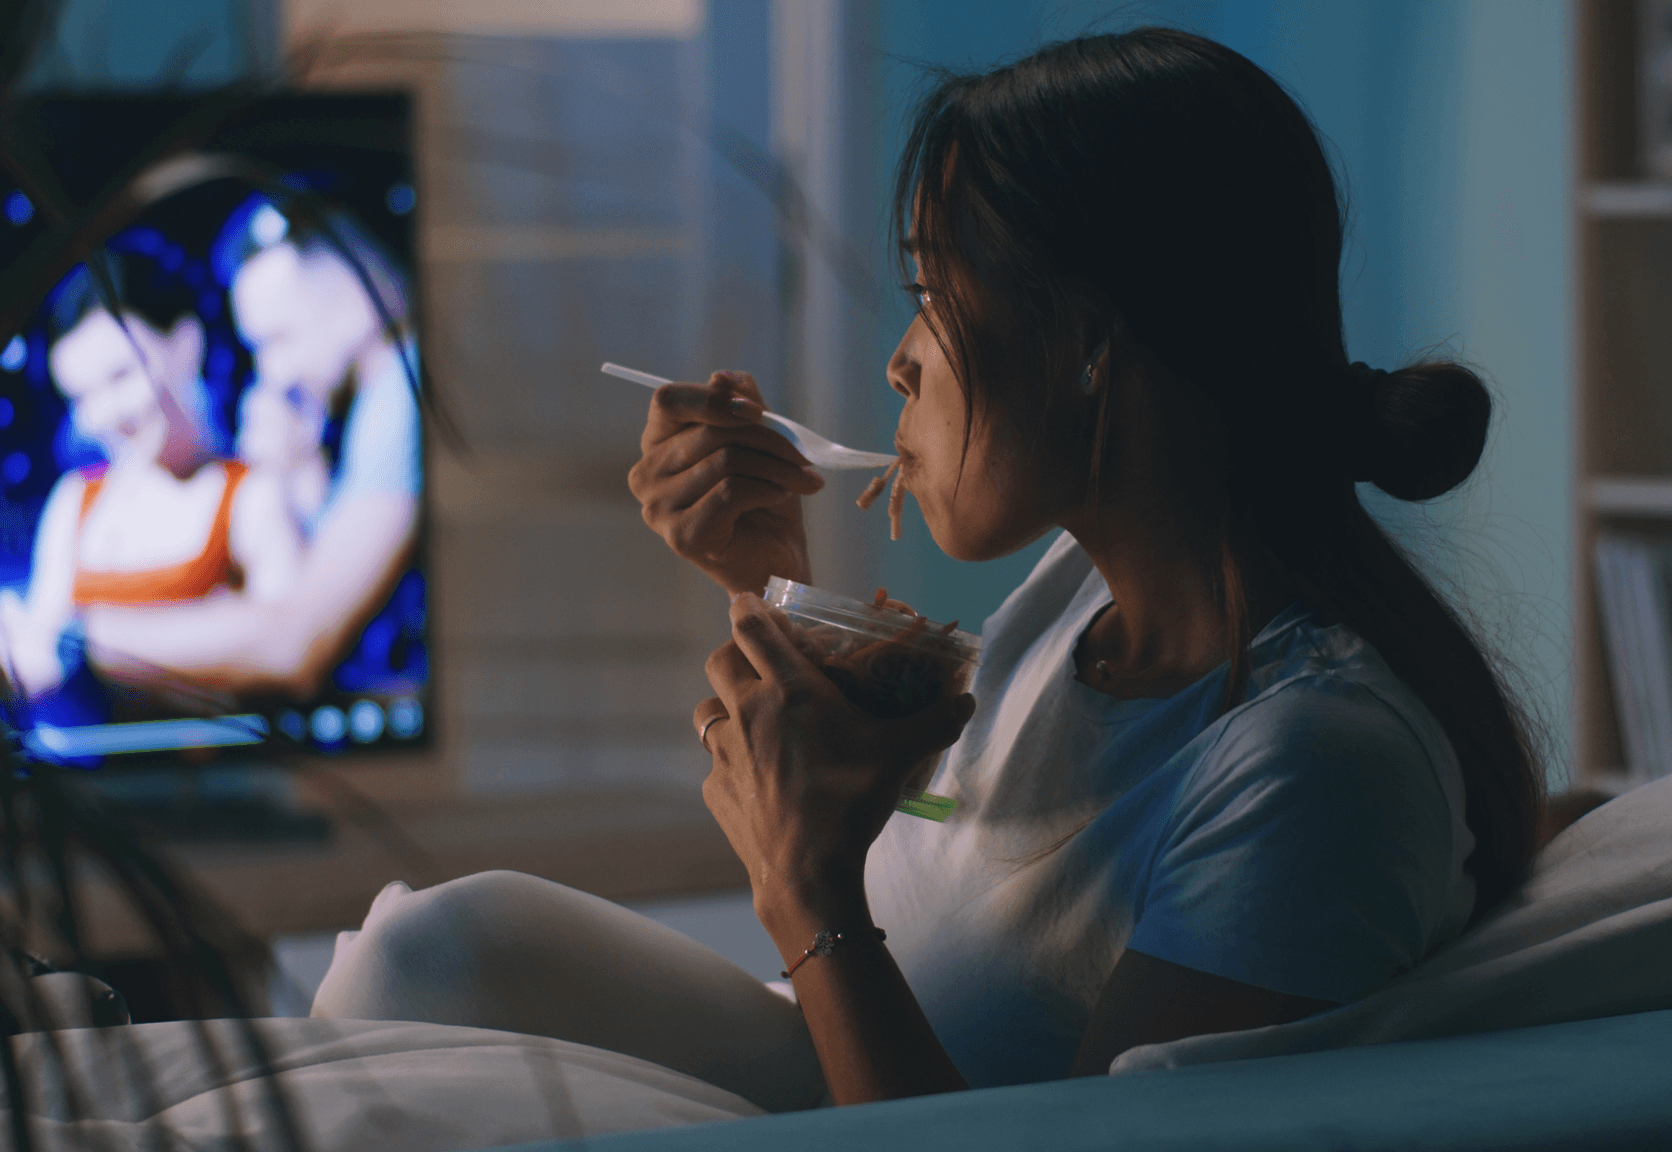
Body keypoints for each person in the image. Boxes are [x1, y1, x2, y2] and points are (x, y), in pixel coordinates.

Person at [311, 27, 1543, 1112]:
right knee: (429, 941)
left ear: (1088, 347)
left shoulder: (1311, 764)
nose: (900, 362)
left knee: (415, 974)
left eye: (931, 294)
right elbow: (960, 839)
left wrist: (804, 893)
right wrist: (770, 588)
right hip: (838, 1059)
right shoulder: (1083, 599)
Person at [81, 203, 422, 700]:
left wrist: (86, 637)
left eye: (277, 340)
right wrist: (299, 476)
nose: (271, 373)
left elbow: (296, 644)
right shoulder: (378, 402)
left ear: (355, 300)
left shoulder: (399, 396)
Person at [0, 254, 303, 710]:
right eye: (80, 396)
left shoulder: (251, 494)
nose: (105, 415)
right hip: (87, 775)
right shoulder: (77, 500)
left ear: (186, 343)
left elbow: (288, 654)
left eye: (121, 375)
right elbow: (41, 658)